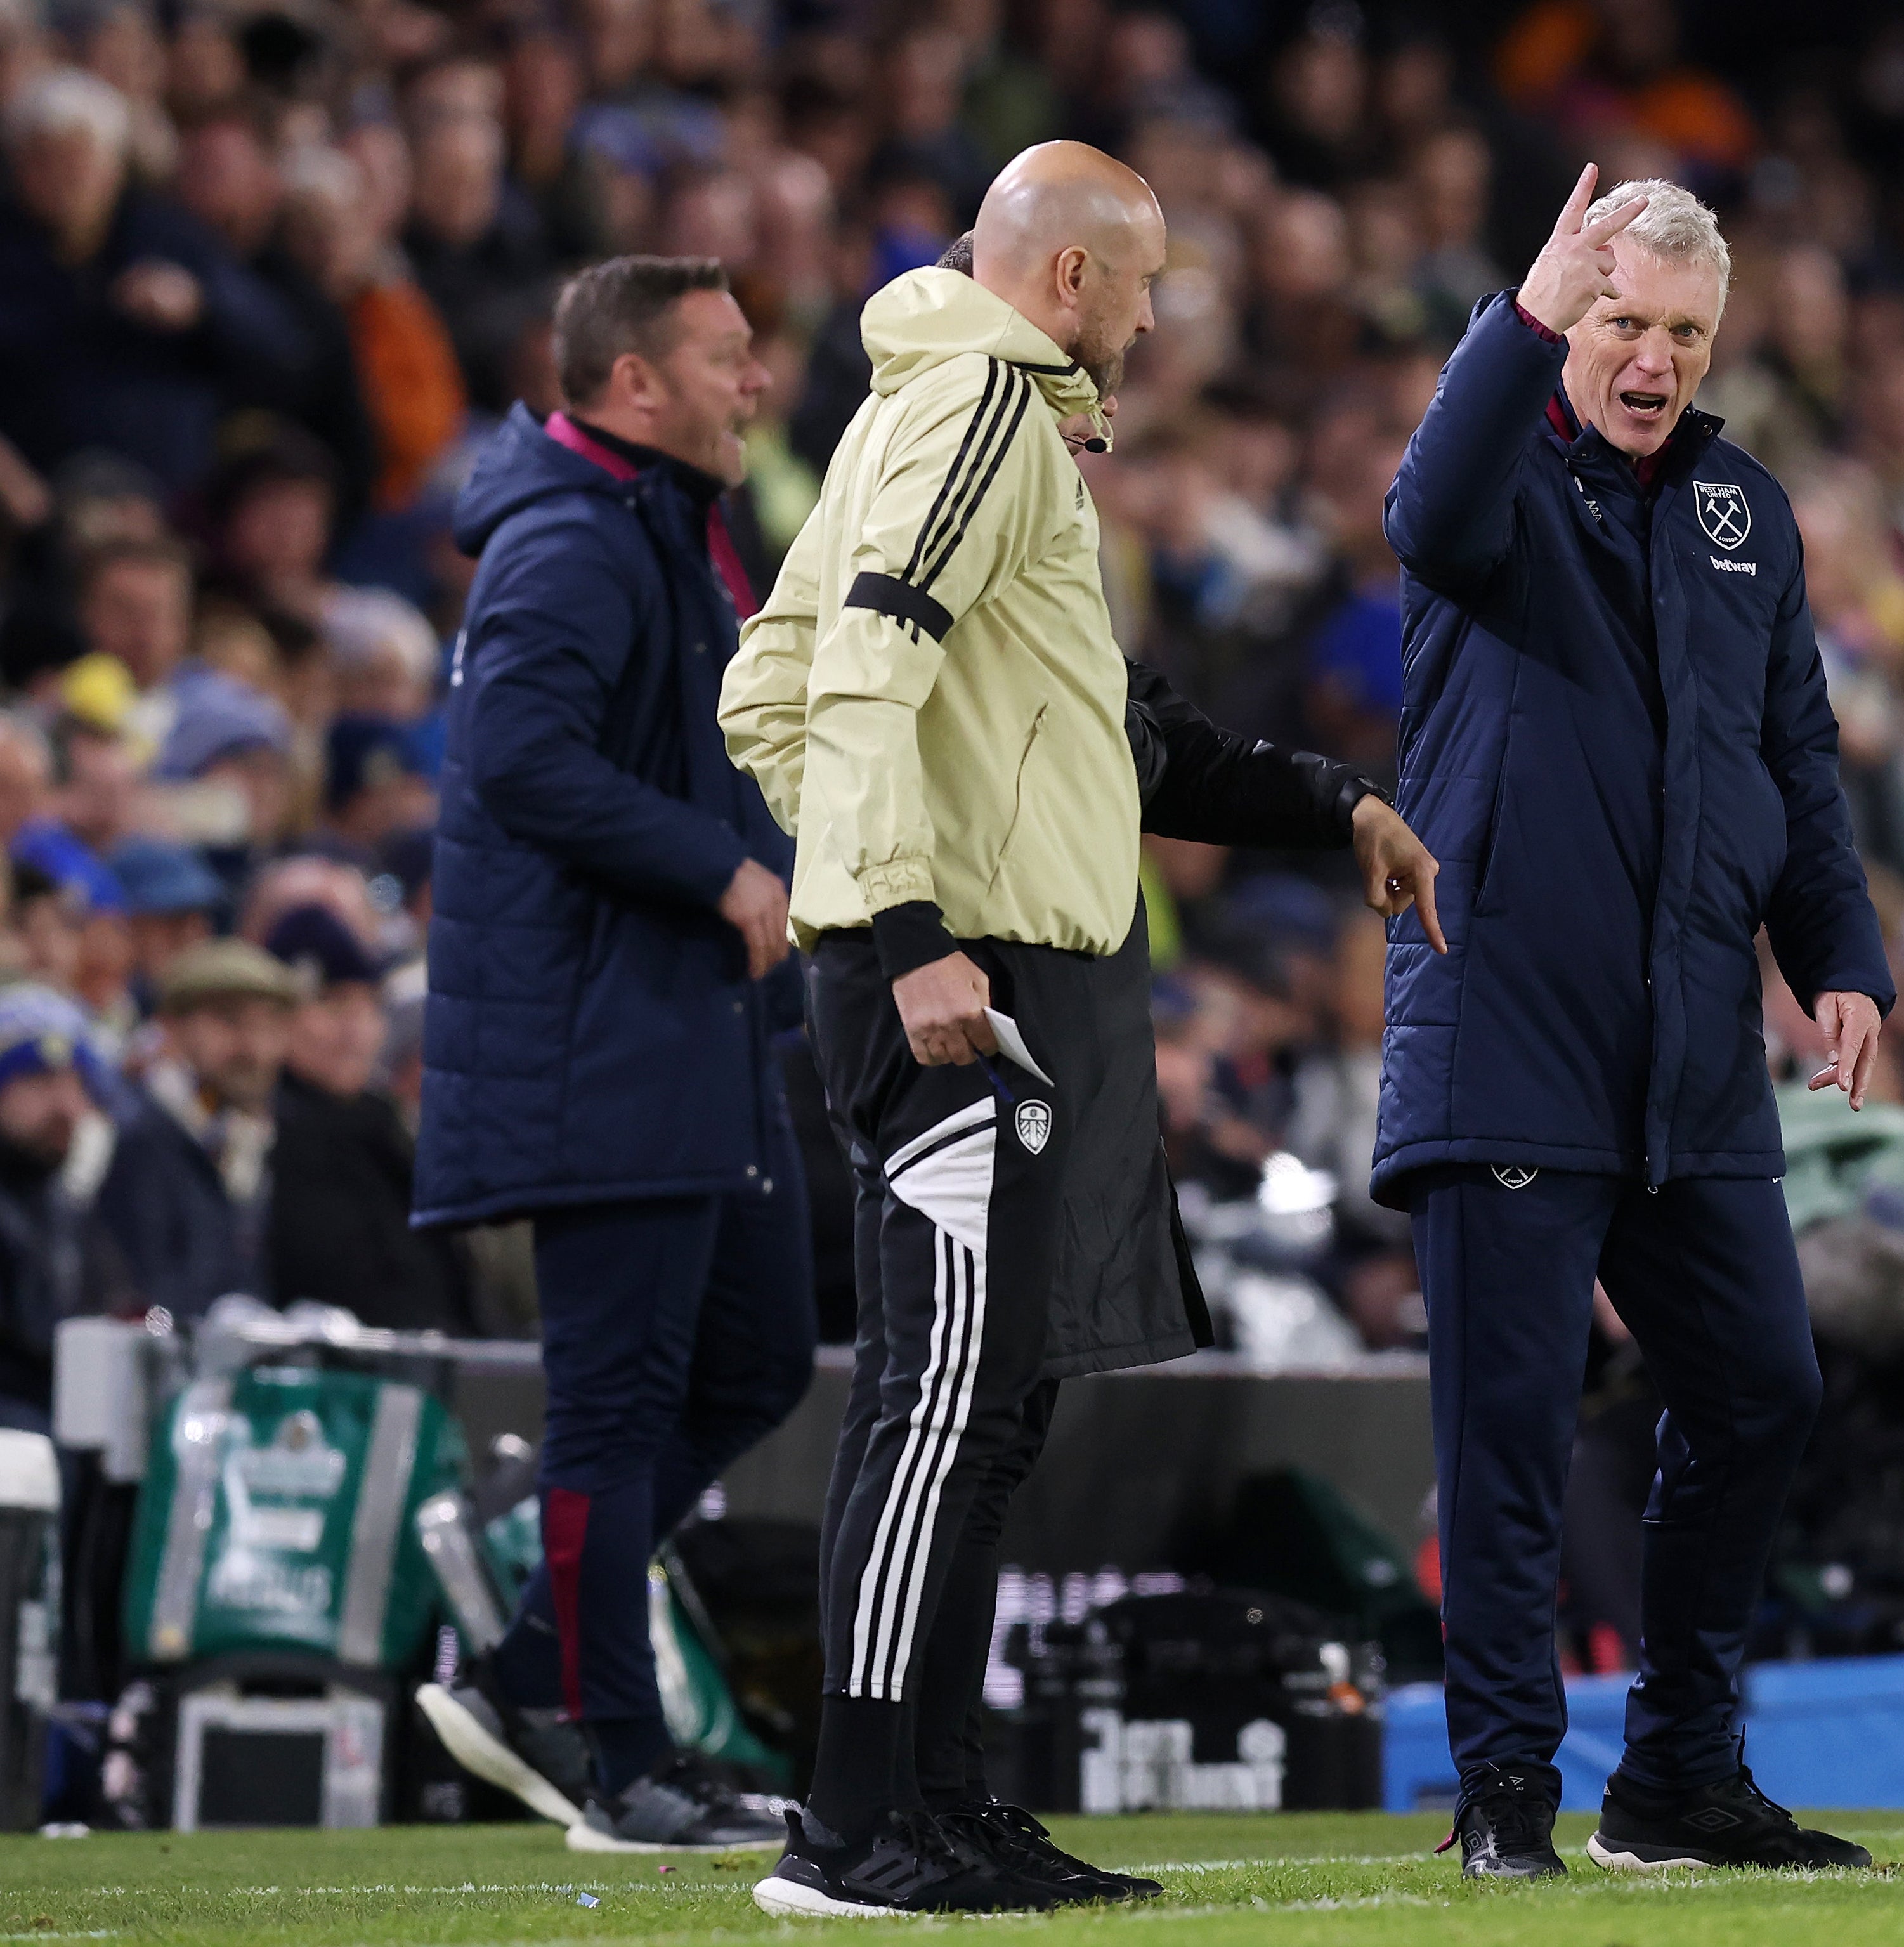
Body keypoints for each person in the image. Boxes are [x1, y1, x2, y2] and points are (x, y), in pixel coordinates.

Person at [722, 142, 1429, 1918]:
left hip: (1001, 976)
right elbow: (862, 669)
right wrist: (904, 928)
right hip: (964, 986)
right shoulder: (974, 405)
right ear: (1067, 282)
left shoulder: (963, 421)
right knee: (946, 1398)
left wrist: (1328, 798)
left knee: (993, 1403)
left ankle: (939, 1797)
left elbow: (780, 688)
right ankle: (852, 1823)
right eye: (1144, 280)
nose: (1156, 313)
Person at [1375, 167, 1893, 1878]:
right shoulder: (1501, 471)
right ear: (1566, 322)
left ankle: (1675, 1774)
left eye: (1681, 330)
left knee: (1760, 1387)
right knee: (1511, 1427)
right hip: (1508, 1017)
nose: (1652, 356)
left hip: (1690, 1044)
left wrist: (1845, 955)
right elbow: (1424, 512)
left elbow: (1795, 762)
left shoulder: (1748, 510)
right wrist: (1520, 316)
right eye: (1622, 322)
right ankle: (1505, 1790)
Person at [408, 256, 810, 1855]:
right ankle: (612, 1754)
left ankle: (533, 1673)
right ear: (633, 384)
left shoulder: (659, 522)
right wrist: (717, 868)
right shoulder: (572, 537)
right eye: (724, 357)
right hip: (598, 1035)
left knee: (753, 1361)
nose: (754, 382)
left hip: (693, 1026)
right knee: (615, 1406)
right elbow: (513, 756)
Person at [264, 904, 472, 1332]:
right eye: (334, 1007)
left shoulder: (385, 1127)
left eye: (368, 1007)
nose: (356, 1033)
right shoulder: (271, 1134)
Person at [96, 938, 297, 1316]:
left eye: (269, 1026)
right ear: (171, 1027)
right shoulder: (138, 1136)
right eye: (230, 1023)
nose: (254, 1049)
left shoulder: (256, 1137)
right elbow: (145, 1305)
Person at [0, 987, 126, 1435]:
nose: (66, 1107)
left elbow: (121, 1308)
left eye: (74, 1084)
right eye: (39, 1082)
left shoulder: (64, 1201)